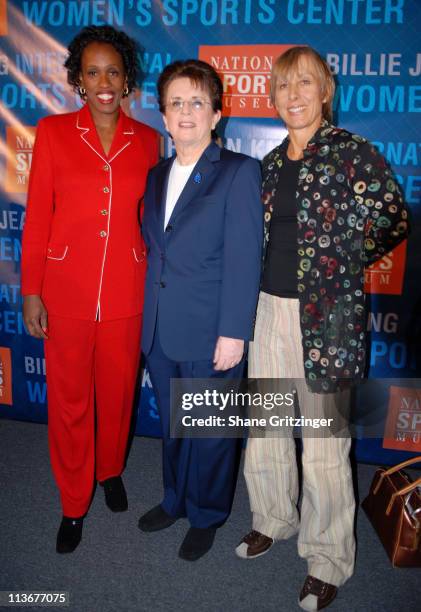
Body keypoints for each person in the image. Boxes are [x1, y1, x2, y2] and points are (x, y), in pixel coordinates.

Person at [235, 46, 409, 610]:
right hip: (265, 311)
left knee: (324, 440)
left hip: (326, 320)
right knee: (266, 427)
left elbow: (392, 215)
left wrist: (342, 259)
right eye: (284, 87)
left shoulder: (352, 154)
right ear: (273, 97)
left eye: (304, 84)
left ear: (325, 90)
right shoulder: (266, 164)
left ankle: (328, 556)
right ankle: (273, 518)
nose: (293, 96)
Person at [21, 25, 159, 554]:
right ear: (79, 79)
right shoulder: (53, 132)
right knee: (71, 402)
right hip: (66, 292)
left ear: (127, 81)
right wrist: (32, 290)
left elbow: (153, 223)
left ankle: (109, 471)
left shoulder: (148, 141)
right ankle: (73, 501)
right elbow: (37, 220)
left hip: (128, 293)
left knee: (118, 395)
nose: (104, 82)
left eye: (114, 72)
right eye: (93, 71)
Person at [138, 59, 263, 561]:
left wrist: (234, 332)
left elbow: (243, 256)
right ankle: (174, 500)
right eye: (175, 103)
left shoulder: (237, 172)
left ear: (216, 114)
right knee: (174, 425)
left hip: (213, 330)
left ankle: (207, 514)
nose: (185, 111)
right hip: (160, 330)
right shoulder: (154, 175)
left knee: (211, 433)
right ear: (164, 116)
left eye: (197, 102)